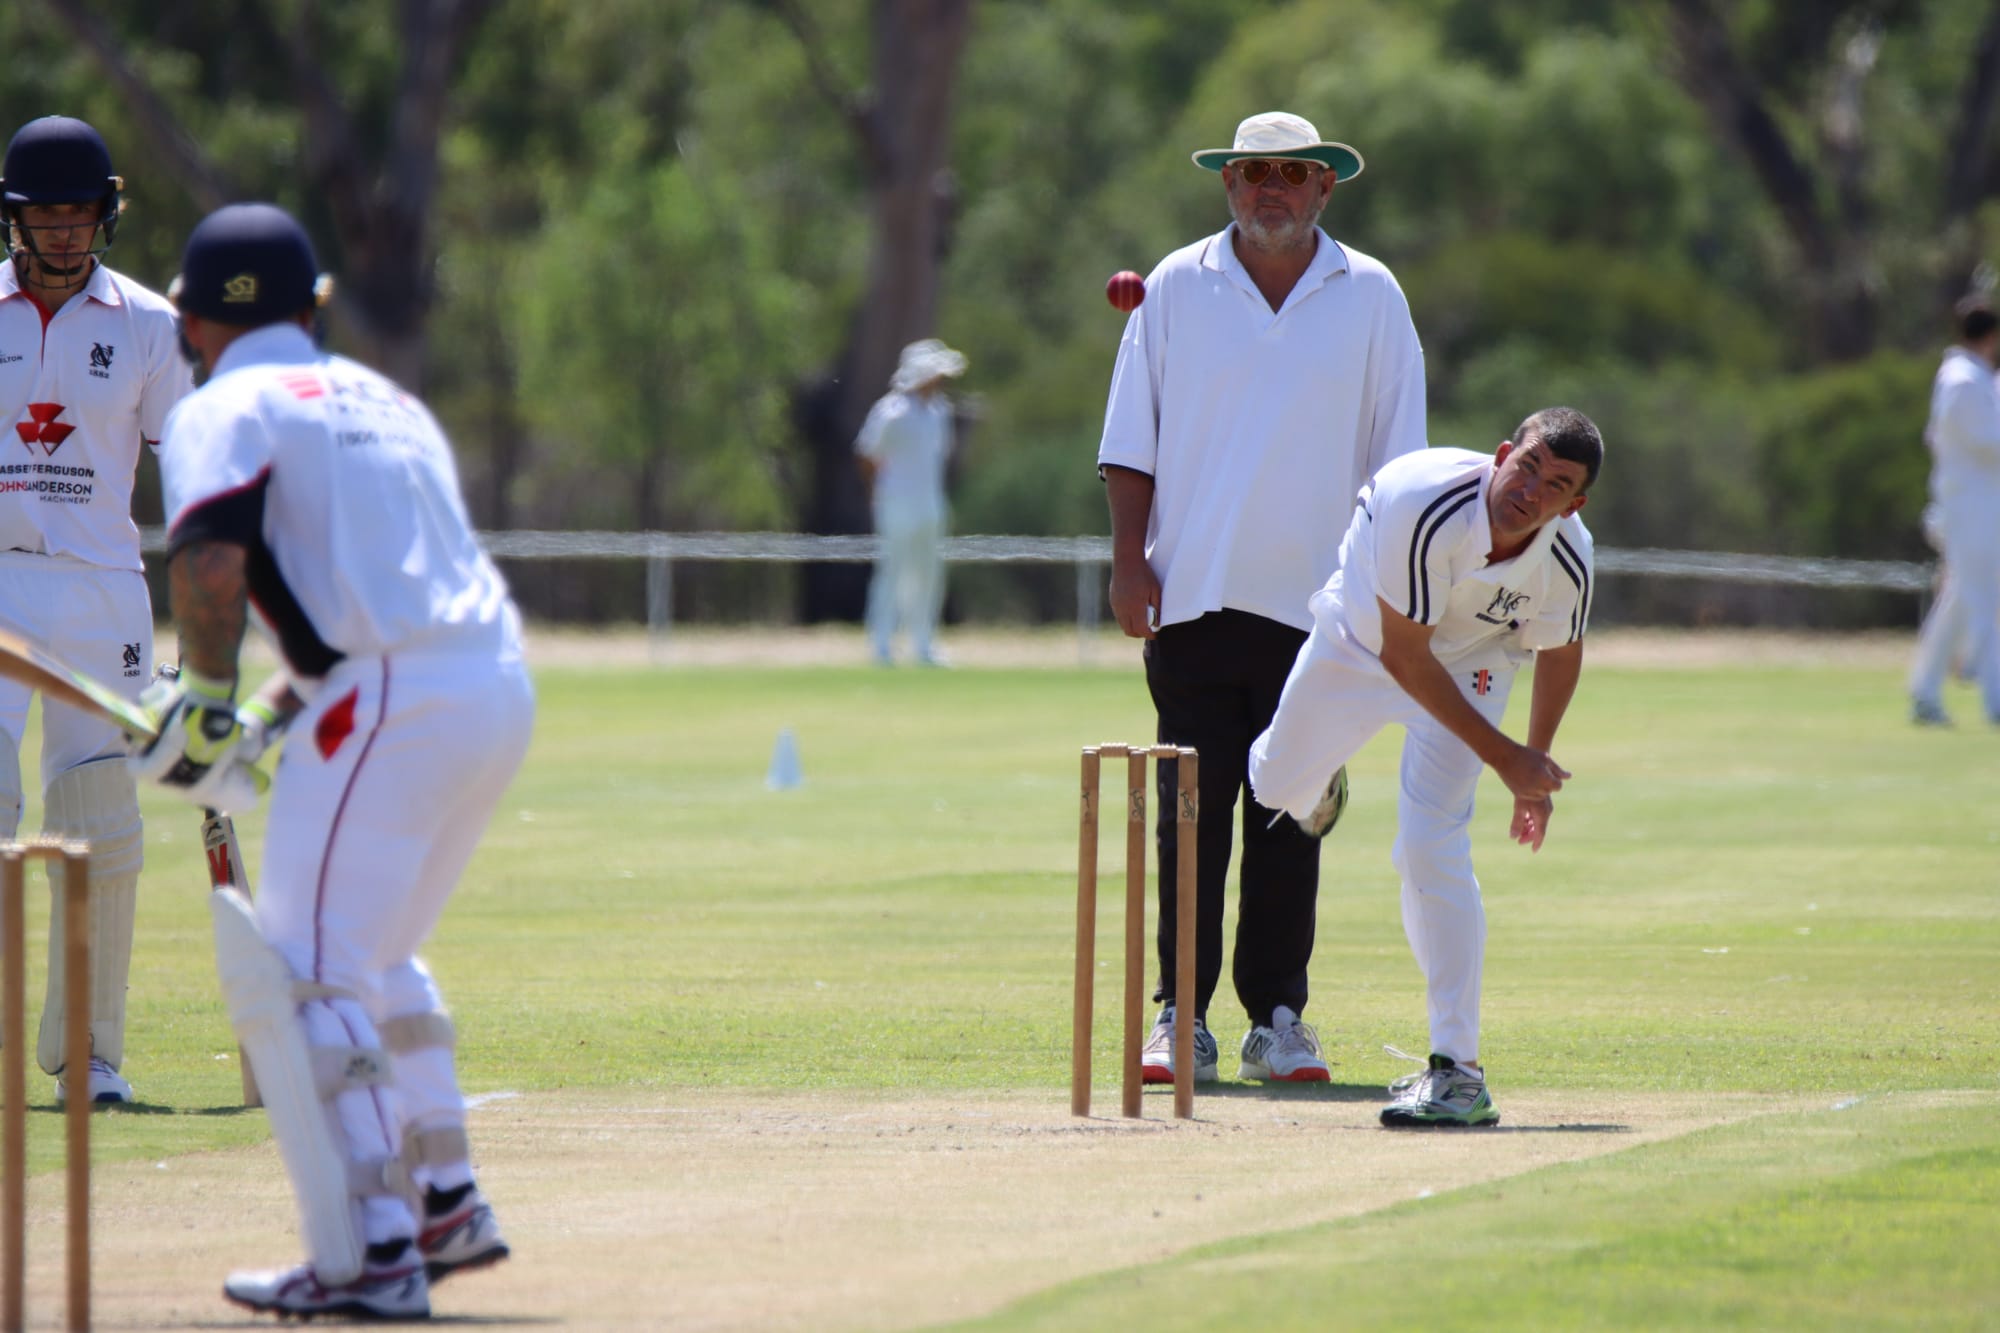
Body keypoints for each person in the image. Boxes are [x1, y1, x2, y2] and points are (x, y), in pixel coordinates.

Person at [129, 202, 533, 1319]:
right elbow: (384, 590)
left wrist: (202, 702)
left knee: (306, 967)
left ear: (190, 321)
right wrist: (256, 720)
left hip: (394, 691)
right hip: (492, 679)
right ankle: (443, 1196)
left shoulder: (222, 407)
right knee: (376, 948)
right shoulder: (384, 399)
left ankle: (373, 1249)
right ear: (312, 306)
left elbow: (211, 564)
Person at [1096, 111, 1427, 1086]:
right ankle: (1178, 1016)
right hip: (1192, 594)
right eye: (1251, 175)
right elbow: (1130, 437)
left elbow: (1397, 460)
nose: (1269, 189)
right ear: (1226, 187)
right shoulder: (1172, 286)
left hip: (1322, 608)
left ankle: (1276, 1016)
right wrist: (1127, 561)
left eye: (1291, 173)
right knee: (1187, 817)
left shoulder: (1368, 293)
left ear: (1325, 187)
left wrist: (1384, 593)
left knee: (1288, 818)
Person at [1247, 406, 1604, 1128]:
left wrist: (1531, 771)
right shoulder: (1425, 502)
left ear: (1575, 504)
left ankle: (1459, 1072)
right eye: (1528, 465)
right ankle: (1320, 781)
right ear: (1504, 453)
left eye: (1556, 484)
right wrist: (1505, 757)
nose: (1531, 489)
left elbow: (1560, 651)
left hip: (1472, 663)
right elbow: (1404, 656)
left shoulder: (1568, 555)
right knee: (1272, 788)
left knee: (1429, 845)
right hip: (1361, 641)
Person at [0, 114, 192, 1104]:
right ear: (15, 219)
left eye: (80, 215)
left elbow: (195, 472)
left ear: (105, 215)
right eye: (47, 217)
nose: (65, 235)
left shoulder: (149, 326)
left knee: (100, 825)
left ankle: (91, 1056)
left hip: (102, 590)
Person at [1908, 297, 2000, 725]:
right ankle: (1995, 700)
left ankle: (1925, 692)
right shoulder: (1963, 381)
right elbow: (1988, 441)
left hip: (1979, 506)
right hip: (1970, 509)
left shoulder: (1975, 379)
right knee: (1984, 602)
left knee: (1962, 602)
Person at [857, 338, 965, 666]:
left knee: (928, 574)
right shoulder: (891, 412)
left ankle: (924, 644)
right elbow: (867, 454)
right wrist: (878, 494)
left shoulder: (940, 411)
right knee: (892, 572)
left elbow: (939, 458)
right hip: (896, 503)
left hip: (930, 504)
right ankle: (881, 644)